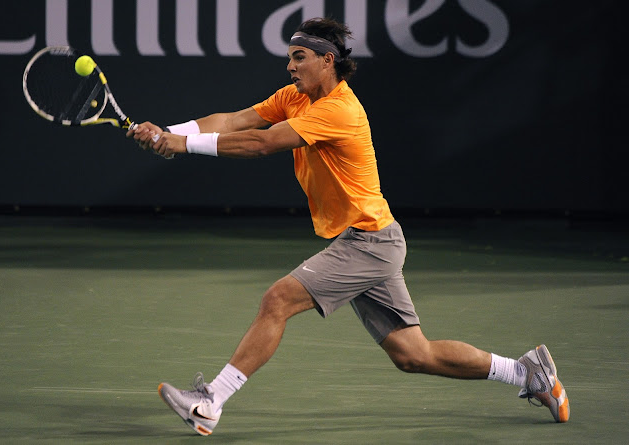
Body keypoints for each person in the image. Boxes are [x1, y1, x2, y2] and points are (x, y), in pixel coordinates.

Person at [128, 17, 569, 436]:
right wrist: (167, 132)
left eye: (299, 57)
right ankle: (526, 372)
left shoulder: (340, 110)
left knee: (278, 299)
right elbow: (234, 121)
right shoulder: (294, 97)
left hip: (368, 241)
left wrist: (182, 145)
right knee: (413, 355)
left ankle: (210, 402)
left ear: (327, 61)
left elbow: (262, 143)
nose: (290, 66)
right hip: (373, 239)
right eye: (290, 57)